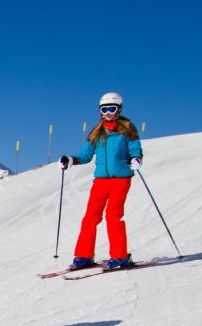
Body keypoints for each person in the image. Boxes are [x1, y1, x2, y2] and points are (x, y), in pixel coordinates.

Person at [59, 92, 144, 270]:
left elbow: (135, 149)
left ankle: (120, 256)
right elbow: (85, 155)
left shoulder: (127, 130)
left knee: (113, 216)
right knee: (90, 217)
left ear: (119, 109)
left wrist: (136, 159)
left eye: (111, 109)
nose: (108, 113)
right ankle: (84, 255)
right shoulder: (97, 132)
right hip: (101, 181)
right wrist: (70, 159)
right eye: (104, 109)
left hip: (121, 179)